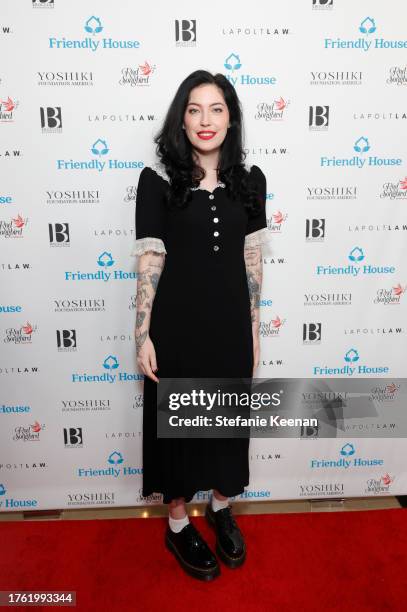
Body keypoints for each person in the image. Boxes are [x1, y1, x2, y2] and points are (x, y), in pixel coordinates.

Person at [130, 69, 273, 581]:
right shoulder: (158, 184)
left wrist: (254, 333)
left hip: (230, 327)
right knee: (178, 435)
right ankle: (175, 526)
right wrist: (143, 334)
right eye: (194, 109)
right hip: (177, 330)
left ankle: (218, 508)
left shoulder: (250, 183)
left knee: (227, 431)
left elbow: (253, 264)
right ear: (181, 119)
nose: (205, 120)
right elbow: (150, 263)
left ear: (230, 119)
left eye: (215, 109)